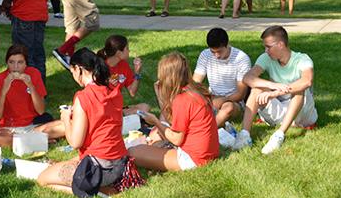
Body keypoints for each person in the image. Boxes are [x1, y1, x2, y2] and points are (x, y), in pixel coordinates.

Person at [37, 49, 131, 195]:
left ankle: (98, 192)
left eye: (72, 72)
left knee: (42, 178)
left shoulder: (83, 97)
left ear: (78, 69)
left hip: (98, 170)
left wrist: (66, 119)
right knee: (62, 165)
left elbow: (75, 142)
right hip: (120, 163)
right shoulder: (113, 89)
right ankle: (99, 187)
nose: (73, 76)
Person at [129, 52, 219, 172]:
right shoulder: (194, 90)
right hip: (208, 153)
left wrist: (155, 121)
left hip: (193, 158)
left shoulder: (182, 99)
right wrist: (159, 95)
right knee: (155, 139)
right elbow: (173, 121)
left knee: (133, 151)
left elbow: (176, 139)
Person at [234, 25, 316, 154]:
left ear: (281, 44)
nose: (266, 50)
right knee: (256, 89)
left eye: (268, 46)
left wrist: (276, 92)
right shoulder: (266, 58)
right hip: (280, 109)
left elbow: (307, 81)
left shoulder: (302, 59)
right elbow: (248, 78)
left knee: (299, 89)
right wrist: (272, 86)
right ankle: (244, 135)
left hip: (303, 113)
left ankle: (279, 136)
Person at [0, 44, 65, 148]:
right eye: (11, 62)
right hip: (9, 129)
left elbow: (41, 110)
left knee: (65, 126)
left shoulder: (34, 74)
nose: (15, 67)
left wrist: (31, 86)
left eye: (20, 62)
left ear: (26, 64)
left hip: (33, 126)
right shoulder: (0, 79)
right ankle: (36, 141)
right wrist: (4, 90)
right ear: (7, 63)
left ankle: (27, 141)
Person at [193, 27, 252, 127]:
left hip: (233, 101)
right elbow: (195, 83)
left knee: (228, 108)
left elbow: (240, 94)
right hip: (211, 97)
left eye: (219, 51)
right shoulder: (205, 55)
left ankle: (208, 130)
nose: (216, 56)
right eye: (213, 52)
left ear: (227, 44)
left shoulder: (241, 58)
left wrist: (220, 101)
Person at [97, 34, 150, 116]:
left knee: (145, 108)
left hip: (117, 108)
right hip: (102, 109)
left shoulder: (123, 65)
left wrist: (137, 73)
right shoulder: (100, 66)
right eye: (127, 49)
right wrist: (106, 83)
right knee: (140, 113)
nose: (129, 51)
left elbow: (132, 92)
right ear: (119, 53)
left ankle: (122, 116)